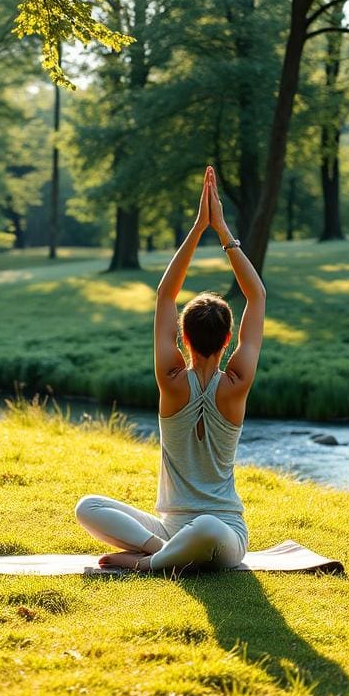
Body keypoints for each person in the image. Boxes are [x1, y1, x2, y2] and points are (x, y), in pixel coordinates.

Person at [75, 166, 266, 572]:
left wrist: (198, 228)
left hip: (219, 531)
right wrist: (223, 232)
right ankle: (159, 554)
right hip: (176, 529)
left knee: (209, 527)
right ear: (229, 338)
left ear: (183, 337)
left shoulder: (171, 380)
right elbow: (257, 296)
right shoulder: (237, 383)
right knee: (87, 506)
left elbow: (165, 295)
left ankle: (146, 562)